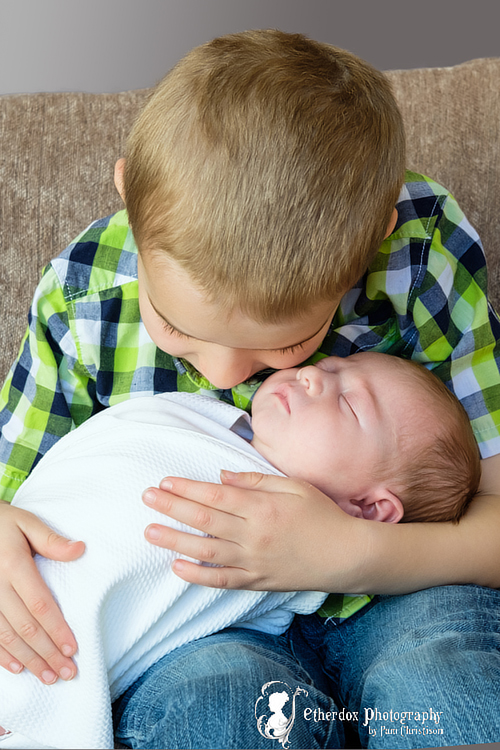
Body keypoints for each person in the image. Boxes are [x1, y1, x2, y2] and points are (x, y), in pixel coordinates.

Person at [0, 29, 499, 749]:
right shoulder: (84, 297)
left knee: (441, 680)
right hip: (196, 632)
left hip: (405, 590)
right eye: (175, 326)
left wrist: (346, 552)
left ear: (370, 245)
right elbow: (17, 504)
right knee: (221, 709)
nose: (231, 376)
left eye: (291, 343)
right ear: (130, 206)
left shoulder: (418, 256)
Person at [0, 353, 481, 748]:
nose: (314, 375)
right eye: (334, 366)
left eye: (351, 405)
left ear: (369, 509)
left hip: (46, 673)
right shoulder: (191, 415)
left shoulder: (296, 579)